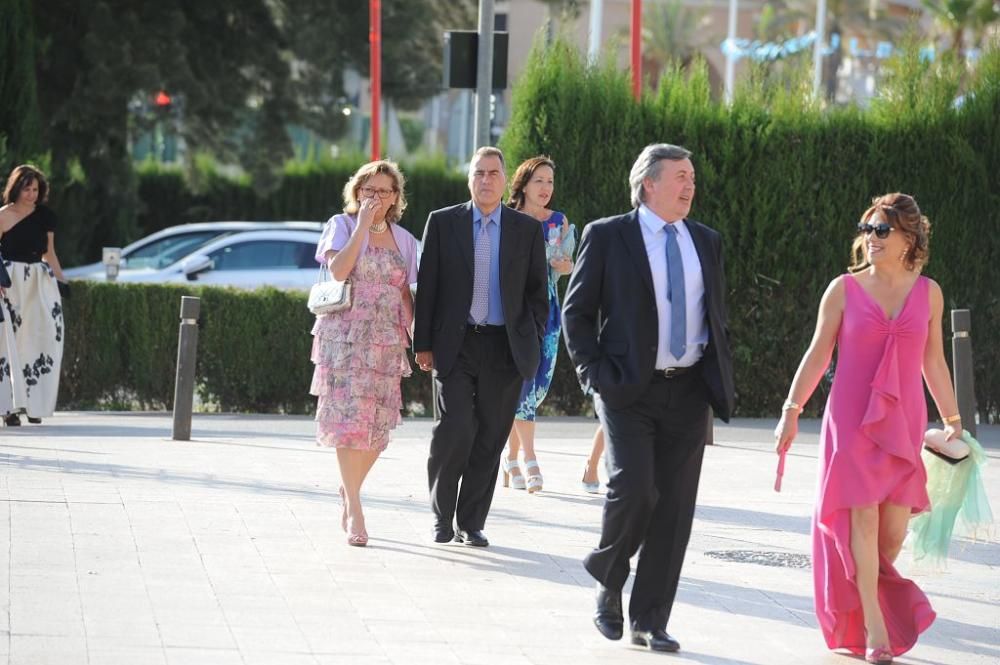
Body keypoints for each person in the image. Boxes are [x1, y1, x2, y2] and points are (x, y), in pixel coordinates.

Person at [562, 143, 734, 652]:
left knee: (674, 510)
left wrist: (715, 376)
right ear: (648, 184)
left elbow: (715, 315)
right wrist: (594, 375)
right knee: (635, 489)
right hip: (626, 389)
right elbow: (577, 313)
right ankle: (609, 574)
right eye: (680, 177)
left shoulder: (706, 240)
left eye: (693, 178)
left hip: (688, 391)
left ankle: (649, 621)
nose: (690, 186)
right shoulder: (608, 235)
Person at [774, 193, 958, 664]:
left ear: (908, 238)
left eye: (881, 230)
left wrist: (953, 418)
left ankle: (867, 597)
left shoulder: (929, 292)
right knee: (863, 516)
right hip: (852, 420)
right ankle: (876, 627)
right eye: (866, 228)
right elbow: (818, 354)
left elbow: (933, 361)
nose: (870, 238)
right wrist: (792, 409)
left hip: (904, 424)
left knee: (892, 534)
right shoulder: (843, 289)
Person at [413, 146, 548, 547]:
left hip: (504, 348)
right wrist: (423, 343)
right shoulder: (442, 223)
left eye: (493, 173)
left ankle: (471, 522)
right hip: (455, 345)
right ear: (469, 179)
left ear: (505, 180)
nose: (486, 180)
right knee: (454, 429)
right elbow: (429, 288)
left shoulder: (525, 230)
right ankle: (442, 516)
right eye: (479, 173)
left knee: (490, 436)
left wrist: (531, 337)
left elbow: (537, 293)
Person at [310, 160, 419, 547]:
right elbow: (339, 271)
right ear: (357, 192)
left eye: (384, 191)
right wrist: (361, 227)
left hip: (387, 340)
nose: (376, 197)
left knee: (377, 427)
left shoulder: (405, 239)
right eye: (369, 190)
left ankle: (348, 488)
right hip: (344, 338)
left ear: (395, 198)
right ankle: (355, 505)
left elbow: (406, 292)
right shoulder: (340, 225)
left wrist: (419, 338)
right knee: (346, 421)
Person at [501, 156, 574, 493]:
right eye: (539, 181)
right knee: (523, 384)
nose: (546, 188)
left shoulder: (558, 221)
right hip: (515, 310)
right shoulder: (507, 219)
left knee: (538, 384)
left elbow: (566, 266)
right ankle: (530, 461)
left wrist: (564, 265)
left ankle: (509, 458)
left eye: (550, 181)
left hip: (549, 308)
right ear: (524, 183)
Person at [0, 165, 66, 427]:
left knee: (40, 339)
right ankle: (8, 408)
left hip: (38, 282)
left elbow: (49, 253)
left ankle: (34, 404)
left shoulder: (45, 216)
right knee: (7, 346)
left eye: (35, 189)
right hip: (8, 282)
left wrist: (62, 281)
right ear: (16, 188)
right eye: (26, 188)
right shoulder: (3, 215)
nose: (31, 194)